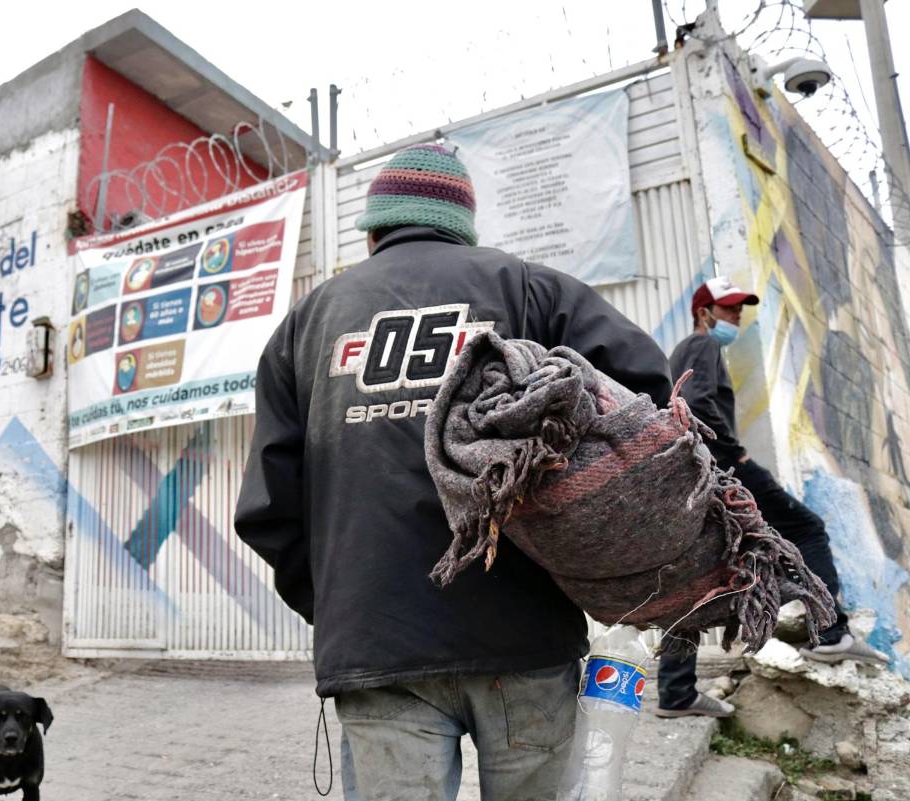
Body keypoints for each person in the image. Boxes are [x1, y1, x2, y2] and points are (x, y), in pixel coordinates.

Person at [234, 143, 674, 801]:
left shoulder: (307, 322)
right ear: (461, 227)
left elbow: (268, 508)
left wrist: (343, 606)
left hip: (377, 645)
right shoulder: (528, 288)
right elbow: (647, 401)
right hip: (525, 633)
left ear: (375, 229)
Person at [656, 276, 890, 720]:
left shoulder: (687, 351)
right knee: (806, 528)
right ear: (704, 312)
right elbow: (695, 404)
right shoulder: (701, 345)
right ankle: (830, 633)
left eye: (739, 309)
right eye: (728, 308)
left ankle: (676, 691)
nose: (736, 315)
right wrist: (736, 454)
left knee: (692, 578)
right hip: (722, 468)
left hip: (696, 474)